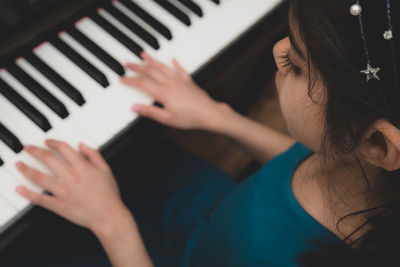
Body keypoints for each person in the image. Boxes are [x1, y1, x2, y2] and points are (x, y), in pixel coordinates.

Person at [9, 0, 400, 265]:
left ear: (377, 144)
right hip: (214, 217)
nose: (276, 53)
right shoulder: (361, 170)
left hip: (187, 251)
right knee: (137, 155)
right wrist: (219, 117)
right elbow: (304, 156)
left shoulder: (275, 257)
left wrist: (111, 222)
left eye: (296, 66)